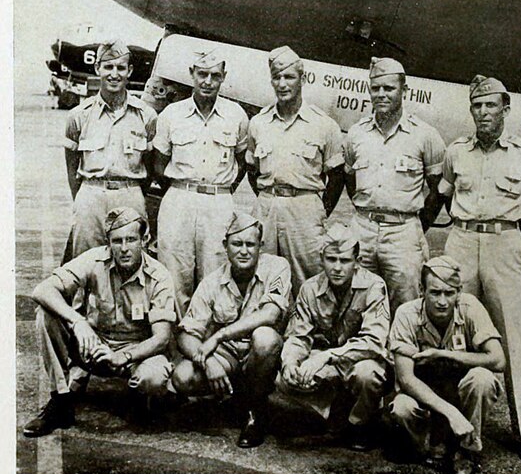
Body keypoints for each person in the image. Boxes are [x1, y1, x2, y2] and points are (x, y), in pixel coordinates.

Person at [439, 75, 521, 463]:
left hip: (505, 243)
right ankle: (453, 424)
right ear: (471, 110)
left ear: (506, 109)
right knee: (455, 330)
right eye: (477, 106)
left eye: (491, 106)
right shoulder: (456, 151)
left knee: (514, 336)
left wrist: (508, 233)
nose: (484, 113)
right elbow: (443, 195)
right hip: (461, 239)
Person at [23, 207, 176, 438]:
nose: (124, 249)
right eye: (117, 241)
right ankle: (61, 400)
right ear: (108, 243)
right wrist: (77, 322)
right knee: (46, 314)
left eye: (131, 240)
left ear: (144, 240)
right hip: (94, 345)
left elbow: (162, 337)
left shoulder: (159, 275)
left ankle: (138, 397)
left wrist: (123, 356)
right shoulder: (94, 259)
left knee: (153, 378)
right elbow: (42, 289)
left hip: (135, 353)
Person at [172, 212, 291, 448]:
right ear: (225, 246)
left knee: (264, 337)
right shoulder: (212, 281)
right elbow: (186, 333)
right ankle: (236, 398)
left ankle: (255, 412)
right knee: (182, 377)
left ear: (261, 246)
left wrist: (219, 335)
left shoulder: (277, 267)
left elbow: (270, 314)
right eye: (237, 244)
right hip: (229, 357)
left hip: (264, 358)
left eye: (250, 244)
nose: (244, 251)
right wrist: (209, 363)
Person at [276, 223, 391, 452]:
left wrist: (326, 357)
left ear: (357, 262)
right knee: (283, 380)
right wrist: (290, 361)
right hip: (332, 362)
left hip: (362, 361)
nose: (337, 268)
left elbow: (374, 342)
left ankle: (363, 423)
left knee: (366, 375)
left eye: (345, 261)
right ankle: (336, 410)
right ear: (322, 259)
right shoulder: (310, 288)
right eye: (331, 259)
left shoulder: (374, 286)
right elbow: (299, 336)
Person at [343, 57, 445, 314]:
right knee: (357, 302)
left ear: (404, 90)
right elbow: (349, 178)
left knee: (406, 304)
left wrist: (417, 225)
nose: (381, 95)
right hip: (363, 229)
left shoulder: (425, 135)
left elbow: (438, 189)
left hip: (402, 232)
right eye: (375, 89)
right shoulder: (357, 133)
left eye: (389, 89)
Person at [388, 256, 505, 474]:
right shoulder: (406, 314)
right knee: (402, 407)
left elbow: (498, 360)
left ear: (459, 292)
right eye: (435, 293)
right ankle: (430, 444)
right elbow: (406, 379)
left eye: (449, 293)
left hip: (459, 391)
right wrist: (451, 414)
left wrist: (444, 354)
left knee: (482, 379)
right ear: (422, 290)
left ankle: (466, 449)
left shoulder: (470, 307)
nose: (442, 301)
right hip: (424, 395)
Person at [153, 48, 249, 315]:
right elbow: (159, 165)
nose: (208, 82)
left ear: (223, 77)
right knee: (174, 272)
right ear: (191, 75)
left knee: (216, 272)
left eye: (214, 76)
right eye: (202, 75)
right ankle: (173, 343)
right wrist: (180, 190)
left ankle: (211, 341)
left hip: (219, 202)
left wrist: (223, 190)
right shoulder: (172, 114)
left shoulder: (236, 115)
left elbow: (241, 162)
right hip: (179, 199)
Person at [246, 46, 344, 294]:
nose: (282, 84)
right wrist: (268, 199)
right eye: (276, 77)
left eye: (289, 77)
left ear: (303, 78)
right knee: (262, 276)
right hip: (267, 206)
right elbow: (251, 169)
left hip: (305, 210)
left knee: (309, 278)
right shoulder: (259, 123)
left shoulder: (323, 125)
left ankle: (308, 331)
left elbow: (337, 175)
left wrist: (319, 209)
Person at [64, 39, 156, 258]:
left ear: (130, 71)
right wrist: (85, 197)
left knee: (131, 262)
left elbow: (150, 166)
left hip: (130, 193)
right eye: (108, 67)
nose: (114, 74)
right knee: (86, 263)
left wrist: (131, 191)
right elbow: (71, 168)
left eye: (120, 68)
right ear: (97, 69)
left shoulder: (146, 115)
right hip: (91, 195)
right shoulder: (79, 115)